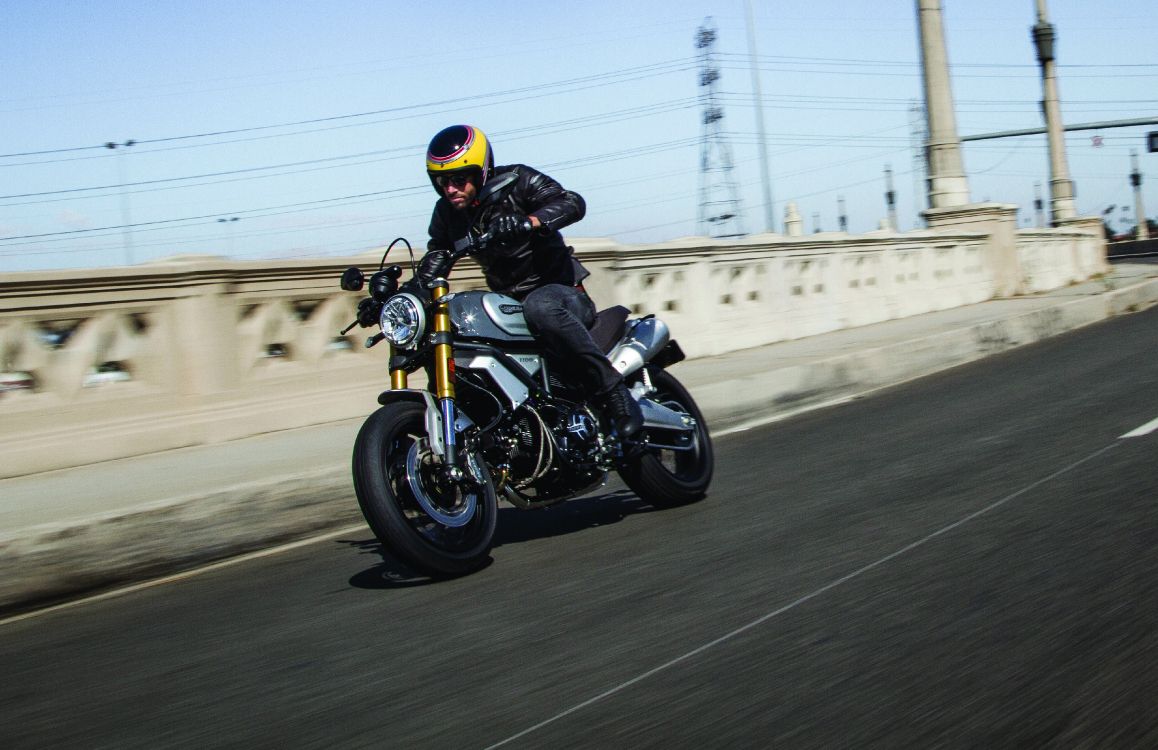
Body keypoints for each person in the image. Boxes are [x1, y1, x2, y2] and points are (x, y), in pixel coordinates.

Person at [418, 124, 642, 437]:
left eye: (459, 178)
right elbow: (437, 255)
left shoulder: (518, 180)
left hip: (562, 293)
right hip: (511, 305)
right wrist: (410, 288)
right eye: (443, 181)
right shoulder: (446, 213)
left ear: (480, 171)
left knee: (541, 307)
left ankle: (614, 394)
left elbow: (571, 202)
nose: (450, 188)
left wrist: (530, 221)